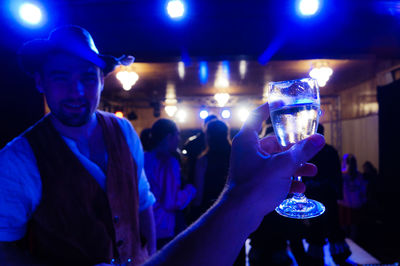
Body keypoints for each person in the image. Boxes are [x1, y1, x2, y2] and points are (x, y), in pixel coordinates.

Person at [0, 25, 156, 265]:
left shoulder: (124, 131)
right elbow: (4, 249)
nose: (77, 91)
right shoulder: (17, 159)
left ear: (102, 81)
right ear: (40, 82)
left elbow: (143, 203)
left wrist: (151, 257)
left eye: (88, 77)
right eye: (61, 78)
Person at [143, 102, 326, 265]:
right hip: (232, 222)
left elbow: (197, 199)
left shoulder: (202, 160)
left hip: (209, 215)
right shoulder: (236, 153)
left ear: (208, 137)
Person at [144, 119, 196, 250]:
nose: (178, 138)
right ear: (168, 136)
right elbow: (171, 202)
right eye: (177, 134)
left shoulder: (144, 158)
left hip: (145, 223)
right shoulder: (169, 162)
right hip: (164, 226)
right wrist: (191, 190)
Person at [338, 154, 367, 241]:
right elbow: (363, 190)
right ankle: (353, 244)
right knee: (353, 226)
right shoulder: (359, 175)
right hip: (355, 204)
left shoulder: (342, 174)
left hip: (344, 203)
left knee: (344, 226)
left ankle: (346, 243)